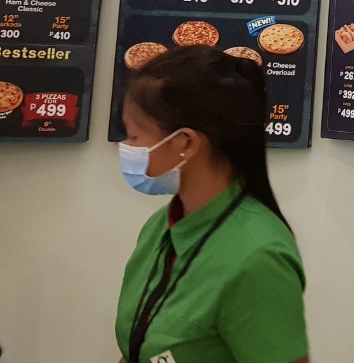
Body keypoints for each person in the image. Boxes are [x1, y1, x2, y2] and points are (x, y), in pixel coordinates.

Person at [115, 46, 309, 363]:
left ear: (186, 143)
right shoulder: (161, 227)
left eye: (134, 137)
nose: (126, 147)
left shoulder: (258, 258)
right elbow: (138, 347)